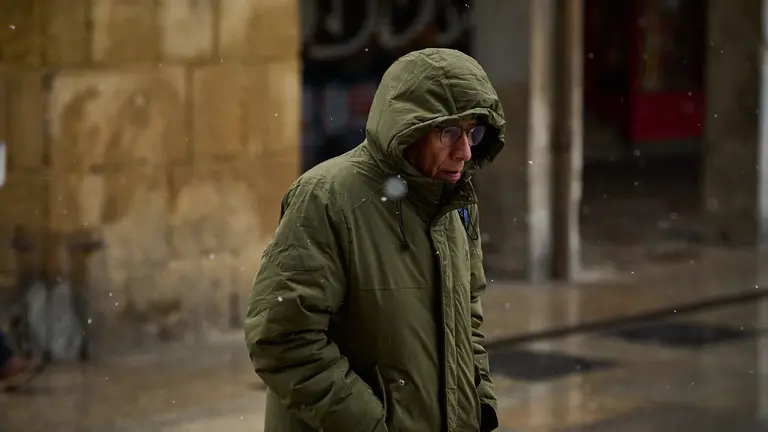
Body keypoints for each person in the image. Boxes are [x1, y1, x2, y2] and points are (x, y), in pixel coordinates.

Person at [245, 48, 506, 431]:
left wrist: (479, 404)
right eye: (449, 132)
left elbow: (467, 317)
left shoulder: (455, 202)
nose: (465, 151)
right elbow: (281, 337)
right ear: (410, 128)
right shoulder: (327, 197)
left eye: (474, 132)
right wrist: (370, 425)